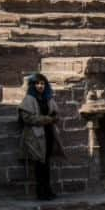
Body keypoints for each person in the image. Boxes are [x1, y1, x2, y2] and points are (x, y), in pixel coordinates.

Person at [17, 73, 64, 201]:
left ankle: (48, 190)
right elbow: (27, 118)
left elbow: (56, 115)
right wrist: (46, 119)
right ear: (33, 85)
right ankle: (41, 192)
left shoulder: (48, 98)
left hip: (48, 134)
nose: (40, 86)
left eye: (42, 83)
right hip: (35, 136)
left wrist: (53, 118)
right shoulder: (29, 99)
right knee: (39, 163)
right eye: (37, 83)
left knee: (46, 163)